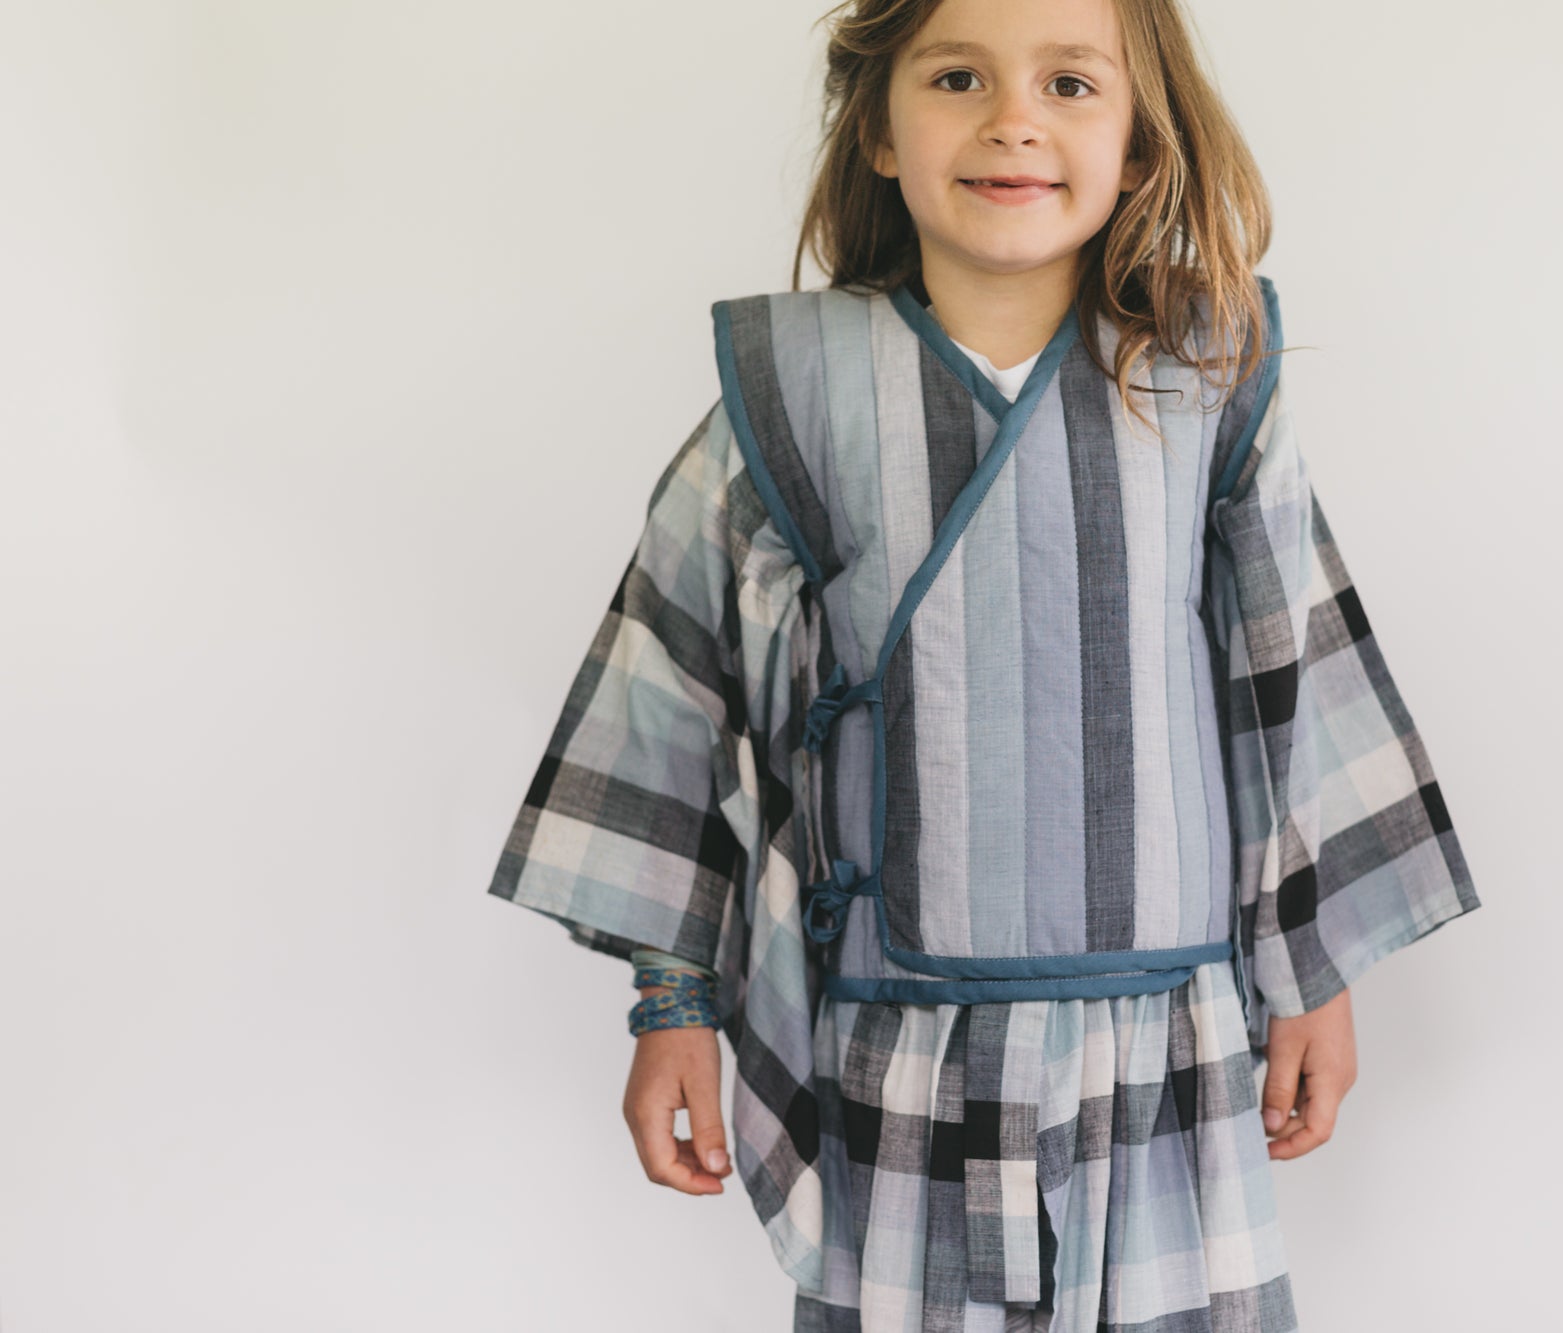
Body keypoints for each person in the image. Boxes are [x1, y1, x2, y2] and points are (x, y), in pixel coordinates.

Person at [485, 0, 1482, 1327]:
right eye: (958, 76)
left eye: (1071, 84)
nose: (1013, 117)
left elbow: (1289, 684)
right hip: (897, 1037)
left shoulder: (1205, 375)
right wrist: (673, 1001)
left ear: (1139, 145)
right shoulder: (790, 394)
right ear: (882, 132)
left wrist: (1315, 977)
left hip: (1164, 1039)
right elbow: (674, 685)